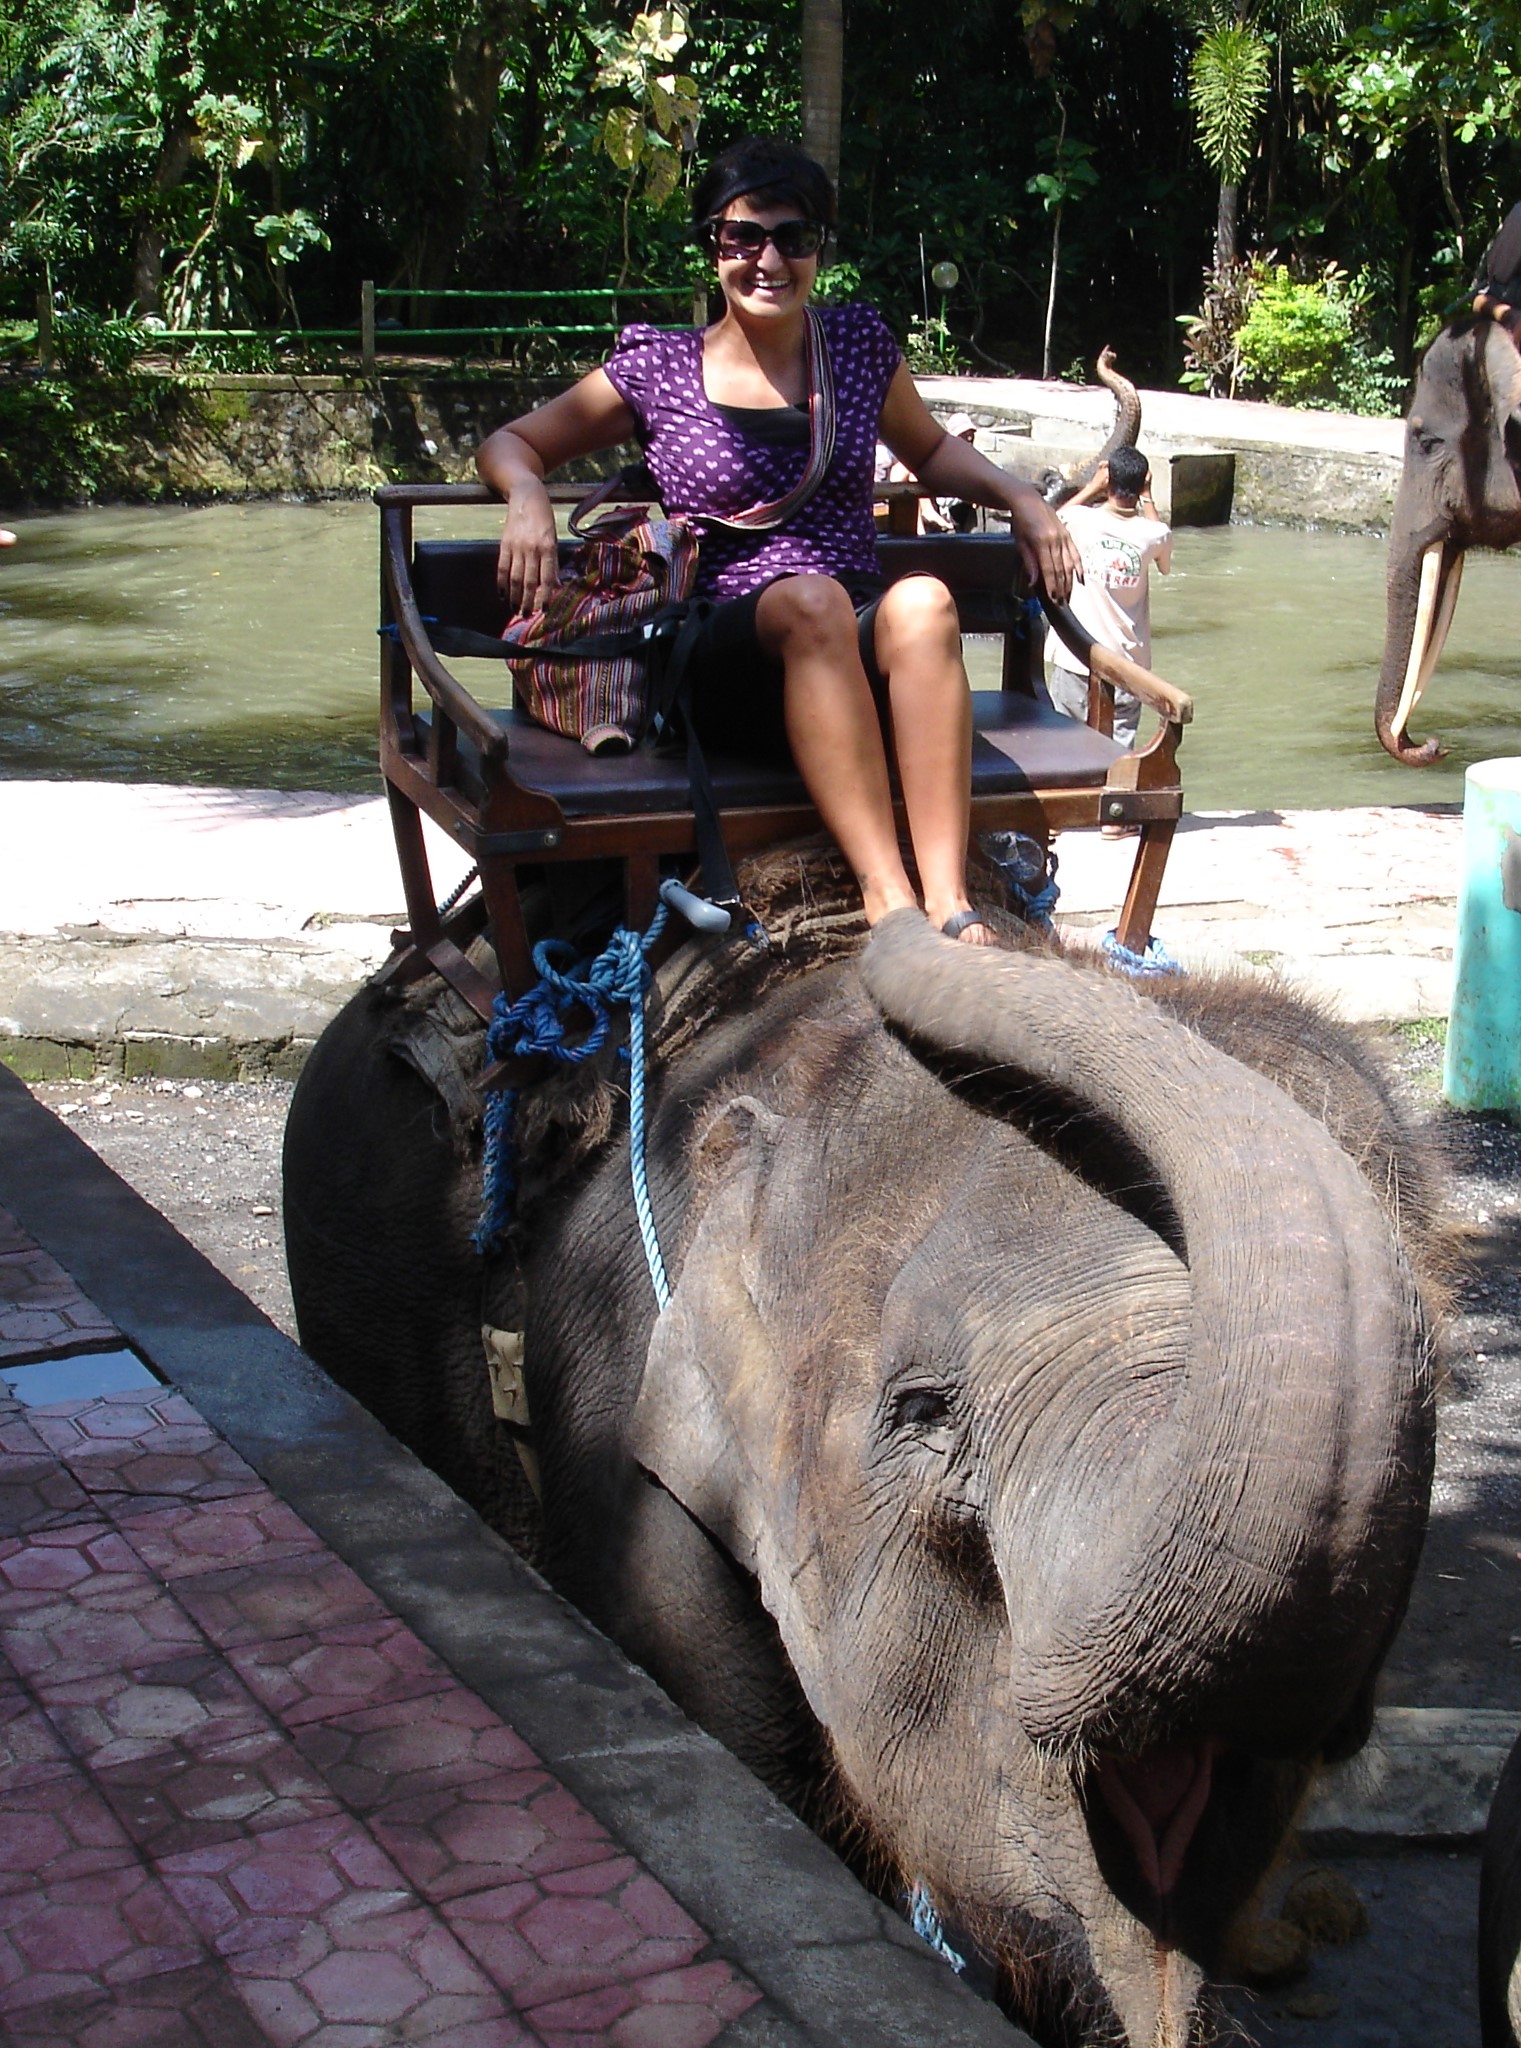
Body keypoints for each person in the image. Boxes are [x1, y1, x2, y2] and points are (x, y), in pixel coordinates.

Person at [477, 134, 1078, 945]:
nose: (768, 260)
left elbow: (930, 448)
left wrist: (1021, 499)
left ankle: (949, 899)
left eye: (793, 238)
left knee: (924, 602)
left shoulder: (856, 349)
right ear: (713, 247)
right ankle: (886, 895)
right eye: (743, 237)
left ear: (819, 249)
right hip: (726, 653)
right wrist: (525, 495)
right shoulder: (660, 368)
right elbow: (513, 442)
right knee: (810, 601)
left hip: (844, 639)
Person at [1045, 444, 1171, 794]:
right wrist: (1148, 496)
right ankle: (1113, 813)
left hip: (1076, 654)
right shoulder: (1153, 534)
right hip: (1127, 663)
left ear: (1108, 480)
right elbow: (1163, 555)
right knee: (1117, 752)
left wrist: (1090, 487)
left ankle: (1069, 807)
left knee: (1064, 744)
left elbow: (1048, 523)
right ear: (1142, 483)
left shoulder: (1079, 520)